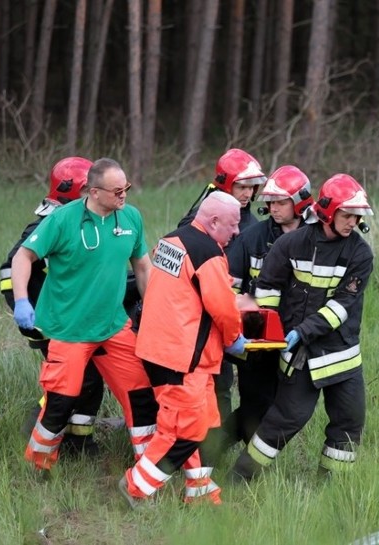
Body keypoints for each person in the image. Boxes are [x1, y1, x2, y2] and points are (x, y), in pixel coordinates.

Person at [11, 158, 158, 472]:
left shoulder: (130, 218)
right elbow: (23, 257)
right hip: (68, 329)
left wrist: (156, 312)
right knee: (60, 404)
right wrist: (22, 301)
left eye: (127, 188)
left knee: (140, 394)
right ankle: (38, 465)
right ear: (93, 192)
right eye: (117, 191)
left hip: (113, 326)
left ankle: (149, 468)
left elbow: (143, 267)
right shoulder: (63, 220)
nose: (124, 196)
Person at [228, 173, 374, 481]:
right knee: (284, 420)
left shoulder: (360, 254)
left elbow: (342, 306)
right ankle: (240, 476)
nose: (351, 223)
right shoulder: (290, 244)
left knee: (349, 421)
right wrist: (268, 330)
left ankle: (331, 484)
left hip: (342, 354)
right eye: (346, 215)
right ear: (327, 213)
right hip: (299, 355)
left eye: (356, 217)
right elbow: (267, 287)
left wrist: (302, 331)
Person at [120, 191, 247, 507]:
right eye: (232, 225)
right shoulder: (208, 253)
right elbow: (223, 310)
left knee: (206, 424)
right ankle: (135, 486)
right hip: (180, 358)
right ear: (214, 221)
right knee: (183, 433)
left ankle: (200, 491)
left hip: (168, 350)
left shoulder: (172, 240)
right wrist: (235, 338)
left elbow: (181, 289)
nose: (236, 232)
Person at [0, 157, 107, 455]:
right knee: (66, 385)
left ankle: (79, 441)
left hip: (73, 318)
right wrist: (28, 313)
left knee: (89, 382)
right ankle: (34, 440)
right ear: (72, 191)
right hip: (52, 323)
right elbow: (11, 270)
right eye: (91, 189)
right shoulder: (50, 224)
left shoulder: (82, 220)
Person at [217, 165, 313, 452]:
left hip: (299, 336)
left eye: (281, 202)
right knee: (255, 404)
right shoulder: (252, 238)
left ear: (301, 201)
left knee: (282, 405)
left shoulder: (316, 240)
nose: (273, 208)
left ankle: (210, 451)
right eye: (270, 202)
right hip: (257, 340)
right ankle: (238, 463)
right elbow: (229, 285)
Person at [178, 148, 266, 430]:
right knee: (205, 379)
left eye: (251, 187)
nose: (246, 193)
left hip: (230, 310)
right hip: (199, 314)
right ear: (225, 183)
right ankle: (197, 441)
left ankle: (215, 443)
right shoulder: (200, 217)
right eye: (241, 186)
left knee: (223, 382)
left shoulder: (252, 224)